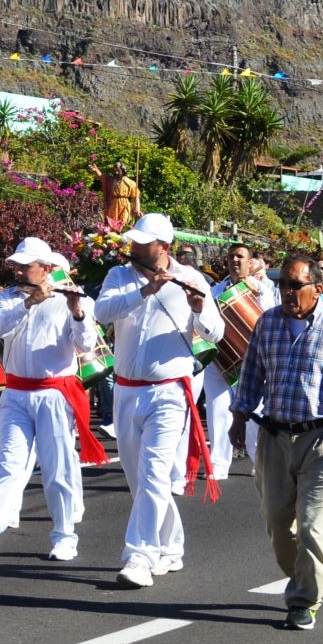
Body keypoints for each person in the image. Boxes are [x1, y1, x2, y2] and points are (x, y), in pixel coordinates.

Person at [230, 252, 323, 631]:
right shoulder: (268, 324)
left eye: (295, 285)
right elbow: (251, 374)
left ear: (318, 287)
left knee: (315, 526)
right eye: (283, 285)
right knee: (278, 523)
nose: (287, 292)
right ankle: (303, 576)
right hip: (276, 436)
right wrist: (239, 416)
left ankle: (304, 600)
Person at [94, 212, 224, 589]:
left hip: (169, 391)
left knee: (154, 474)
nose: (133, 247)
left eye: (142, 243)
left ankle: (140, 555)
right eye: (133, 241)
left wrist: (199, 307)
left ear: (163, 248)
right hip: (125, 389)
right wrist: (144, 291)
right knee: (138, 480)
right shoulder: (119, 276)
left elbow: (216, 332)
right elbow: (101, 313)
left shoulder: (191, 278)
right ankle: (171, 545)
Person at [0, 237, 103, 565]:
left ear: (46, 268)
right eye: (16, 265)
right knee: (9, 465)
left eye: (26, 265)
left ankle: (65, 535)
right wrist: (30, 301)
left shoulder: (73, 298)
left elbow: (86, 344)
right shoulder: (8, 298)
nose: (19, 270)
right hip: (16, 394)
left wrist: (78, 314)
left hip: (54, 394)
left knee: (57, 468)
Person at [205, 243, 278, 474]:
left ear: (250, 262)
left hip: (252, 361)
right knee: (217, 411)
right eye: (231, 256)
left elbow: (270, 319)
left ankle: (259, 463)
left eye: (240, 256)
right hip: (220, 360)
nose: (235, 260)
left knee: (255, 412)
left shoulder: (263, 289)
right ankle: (218, 464)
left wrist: (252, 292)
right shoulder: (215, 290)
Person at [94, 159, 143, 230]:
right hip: (113, 204)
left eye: (117, 168)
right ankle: (112, 237)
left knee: (124, 222)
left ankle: (123, 237)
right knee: (112, 222)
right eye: (115, 168)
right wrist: (96, 170)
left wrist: (137, 208)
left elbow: (135, 196)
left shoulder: (130, 182)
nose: (115, 170)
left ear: (122, 169)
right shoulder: (111, 180)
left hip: (125, 204)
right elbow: (102, 177)